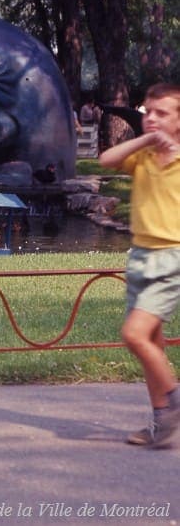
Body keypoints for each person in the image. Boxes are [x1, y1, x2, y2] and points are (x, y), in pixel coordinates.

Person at [98, 82, 180, 448]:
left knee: (134, 335)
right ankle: (162, 422)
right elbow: (106, 160)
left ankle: (175, 399)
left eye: (163, 113)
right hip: (140, 257)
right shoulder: (144, 155)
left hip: (172, 258)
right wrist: (147, 139)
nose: (153, 119)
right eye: (149, 113)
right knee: (151, 343)